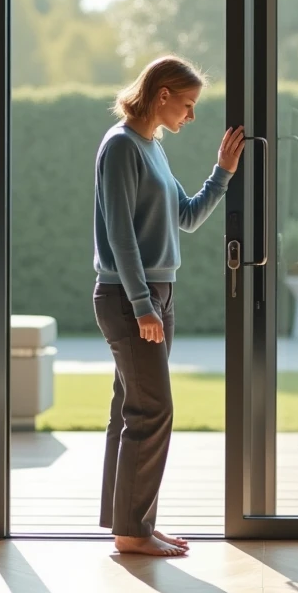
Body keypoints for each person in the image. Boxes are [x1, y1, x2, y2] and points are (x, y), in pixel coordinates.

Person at [92, 55, 245, 556]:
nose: (191, 115)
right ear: (162, 95)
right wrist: (141, 303)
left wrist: (222, 173)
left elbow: (187, 216)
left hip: (155, 295)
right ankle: (132, 531)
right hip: (128, 297)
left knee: (131, 408)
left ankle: (130, 524)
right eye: (188, 104)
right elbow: (119, 236)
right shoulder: (120, 146)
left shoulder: (151, 147)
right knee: (152, 410)